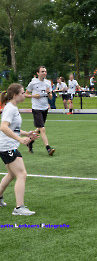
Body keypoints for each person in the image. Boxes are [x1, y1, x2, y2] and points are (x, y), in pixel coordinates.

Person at [0, 83, 40, 215]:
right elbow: (4, 127)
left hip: (7, 145)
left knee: (12, 174)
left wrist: (26, 134)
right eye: (23, 93)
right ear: (15, 95)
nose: (25, 95)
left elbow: (13, 128)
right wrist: (20, 139)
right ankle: (19, 208)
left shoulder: (13, 107)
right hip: (7, 146)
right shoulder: (10, 108)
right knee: (21, 174)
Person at [25, 66, 55, 156]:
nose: (44, 73)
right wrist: (33, 96)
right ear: (38, 73)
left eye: (45, 71)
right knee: (42, 128)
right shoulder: (33, 82)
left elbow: (51, 97)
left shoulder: (48, 83)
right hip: (36, 108)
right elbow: (25, 94)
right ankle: (48, 148)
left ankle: (30, 142)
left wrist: (49, 93)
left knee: (39, 128)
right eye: (42, 71)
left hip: (44, 108)